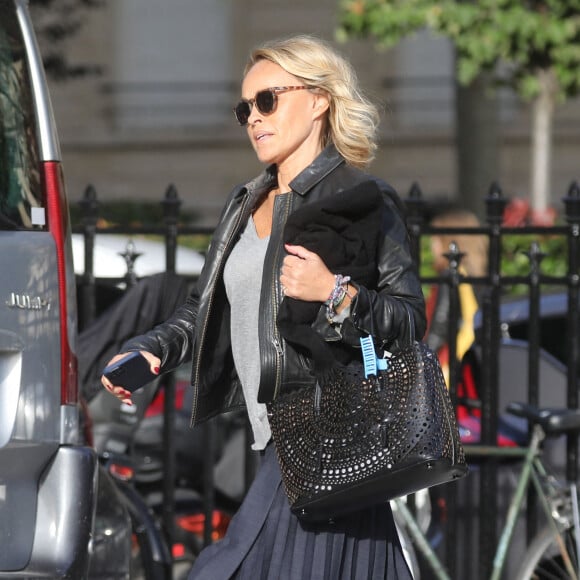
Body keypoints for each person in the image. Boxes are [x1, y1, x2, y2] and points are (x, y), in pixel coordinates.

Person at [102, 34, 426, 580]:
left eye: (268, 100)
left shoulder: (362, 198)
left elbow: (408, 320)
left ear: (319, 99)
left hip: (325, 431)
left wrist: (334, 292)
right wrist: (151, 350)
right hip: (271, 439)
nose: (253, 117)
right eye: (244, 108)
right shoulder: (244, 202)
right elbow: (201, 308)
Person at [425, 208, 488, 415]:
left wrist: (419, 362)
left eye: (435, 239)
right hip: (472, 366)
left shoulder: (449, 276)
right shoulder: (478, 277)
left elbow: (439, 329)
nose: (431, 246)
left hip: (449, 367)